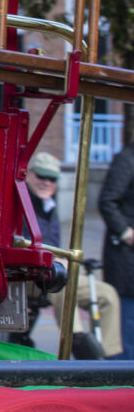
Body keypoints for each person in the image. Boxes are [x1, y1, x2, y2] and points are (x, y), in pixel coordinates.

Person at [28, 150, 124, 357]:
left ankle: (106, 357)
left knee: (107, 294)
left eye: (51, 178)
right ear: (29, 175)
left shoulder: (50, 206)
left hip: (52, 273)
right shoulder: (23, 204)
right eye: (41, 176)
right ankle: (79, 343)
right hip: (30, 275)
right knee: (62, 281)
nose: (46, 182)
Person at [100, 140, 134, 357]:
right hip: (126, 259)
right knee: (126, 325)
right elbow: (107, 201)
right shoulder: (127, 159)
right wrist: (127, 233)